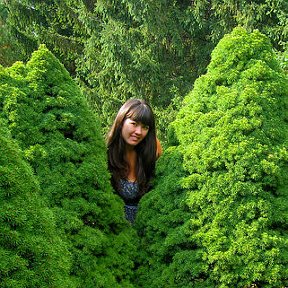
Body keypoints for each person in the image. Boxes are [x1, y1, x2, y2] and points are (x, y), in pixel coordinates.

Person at [107, 99, 162, 224]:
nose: (139, 132)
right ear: (121, 122)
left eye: (145, 127)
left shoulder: (153, 150)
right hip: (116, 230)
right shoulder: (106, 153)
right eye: (134, 123)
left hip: (147, 229)